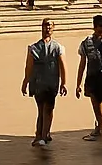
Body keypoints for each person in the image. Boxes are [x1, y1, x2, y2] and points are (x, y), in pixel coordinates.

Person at [22, 18, 67, 147]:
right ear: (41, 27)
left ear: (53, 28)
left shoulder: (58, 47)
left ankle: (43, 134)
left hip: (52, 82)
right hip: (38, 82)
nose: (47, 28)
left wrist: (64, 83)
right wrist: (25, 81)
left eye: (50, 25)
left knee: (48, 109)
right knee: (42, 109)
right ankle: (41, 135)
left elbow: (62, 65)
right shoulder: (33, 47)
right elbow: (28, 66)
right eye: (45, 25)